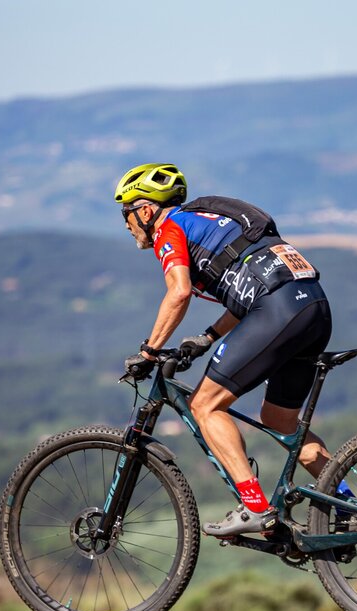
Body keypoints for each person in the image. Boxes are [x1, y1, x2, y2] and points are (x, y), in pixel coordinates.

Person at [115, 162, 333, 537]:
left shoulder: (170, 228)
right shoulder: (206, 220)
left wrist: (149, 351)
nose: (126, 224)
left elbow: (179, 291)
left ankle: (256, 507)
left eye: (127, 214)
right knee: (280, 421)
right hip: (312, 306)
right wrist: (207, 338)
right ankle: (348, 504)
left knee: (204, 405)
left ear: (146, 210)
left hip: (279, 309)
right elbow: (249, 296)